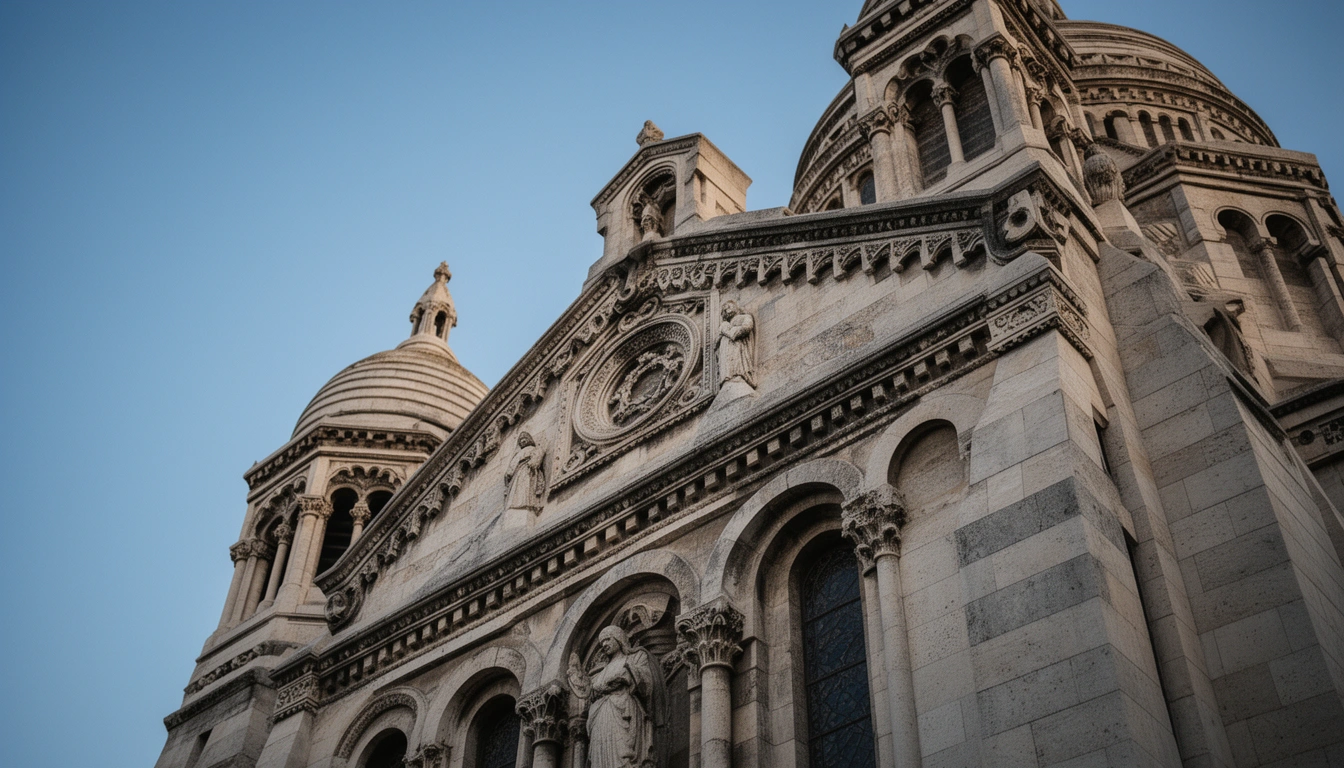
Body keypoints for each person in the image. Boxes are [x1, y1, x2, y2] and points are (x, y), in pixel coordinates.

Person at [586, 626, 656, 768]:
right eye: (602, 642)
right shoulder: (601, 671)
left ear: (618, 638)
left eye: (607, 639)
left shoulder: (635, 657)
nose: (604, 644)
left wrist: (628, 674)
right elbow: (593, 692)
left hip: (624, 711)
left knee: (625, 754)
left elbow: (646, 685)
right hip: (601, 716)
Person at [717, 300, 756, 388]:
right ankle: (727, 378)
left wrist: (731, 331)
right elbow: (716, 342)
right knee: (726, 360)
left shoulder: (745, 317)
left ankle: (738, 376)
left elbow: (747, 327)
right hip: (725, 347)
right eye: (725, 309)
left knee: (737, 360)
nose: (727, 309)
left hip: (738, 343)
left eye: (729, 306)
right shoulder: (724, 325)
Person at [504, 432, 544, 512]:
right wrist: (508, 474)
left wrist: (533, 462)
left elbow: (538, 455)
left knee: (525, 488)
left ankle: (527, 504)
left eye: (524, 439)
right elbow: (512, 465)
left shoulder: (533, 448)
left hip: (527, 470)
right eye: (521, 440)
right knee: (517, 490)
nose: (522, 441)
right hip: (518, 473)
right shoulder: (518, 453)